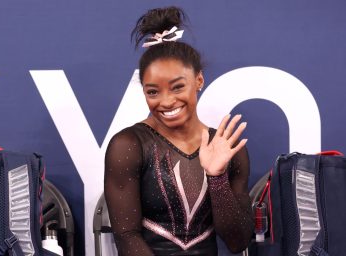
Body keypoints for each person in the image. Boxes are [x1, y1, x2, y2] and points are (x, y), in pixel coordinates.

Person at [104, 6, 254, 256]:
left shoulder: (225, 147)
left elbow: (238, 241)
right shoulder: (128, 144)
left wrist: (216, 178)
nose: (166, 101)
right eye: (153, 91)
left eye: (177, 87)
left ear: (199, 80)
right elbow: (127, 236)